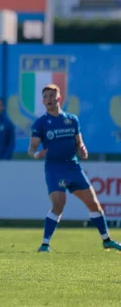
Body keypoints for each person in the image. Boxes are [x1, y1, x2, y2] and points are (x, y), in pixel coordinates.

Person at [29, 84, 121, 253]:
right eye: (45, 96)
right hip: (55, 168)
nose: (48, 99)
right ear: (43, 101)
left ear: (59, 98)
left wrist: (82, 151)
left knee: (94, 204)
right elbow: (32, 148)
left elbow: (80, 144)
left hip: (73, 166)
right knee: (59, 204)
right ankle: (45, 244)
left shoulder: (72, 120)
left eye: (51, 95)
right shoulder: (41, 123)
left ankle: (106, 240)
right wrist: (37, 155)